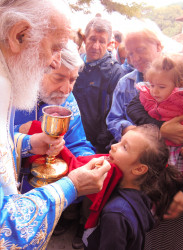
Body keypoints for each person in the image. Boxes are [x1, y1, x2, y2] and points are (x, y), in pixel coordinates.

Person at [0, 1, 110, 248]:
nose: (53, 61)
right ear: (19, 36)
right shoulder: (16, 92)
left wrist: (27, 143)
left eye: (73, 80)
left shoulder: (63, 100)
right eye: (54, 49)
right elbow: (4, 228)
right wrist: (72, 186)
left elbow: (77, 141)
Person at [83, 124, 182, 250]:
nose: (113, 146)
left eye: (124, 147)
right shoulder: (142, 193)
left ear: (139, 169)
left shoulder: (115, 214)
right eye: (120, 141)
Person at [106, 19, 164, 142]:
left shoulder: (181, 79)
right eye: (130, 54)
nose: (135, 58)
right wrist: (142, 133)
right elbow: (113, 120)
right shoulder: (125, 83)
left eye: (140, 50)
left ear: (158, 46)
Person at [73, 16, 125, 153]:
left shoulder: (116, 73)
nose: (96, 46)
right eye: (92, 39)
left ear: (109, 44)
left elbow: (115, 115)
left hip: (98, 146)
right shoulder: (74, 66)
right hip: (72, 138)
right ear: (85, 39)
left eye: (102, 41)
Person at [135, 53, 183, 177]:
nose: (154, 91)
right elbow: (133, 108)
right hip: (159, 146)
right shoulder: (149, 96)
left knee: (177, 176)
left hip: (180, 150)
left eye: (162, 87)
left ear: (179, 84)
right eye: (152, 85)